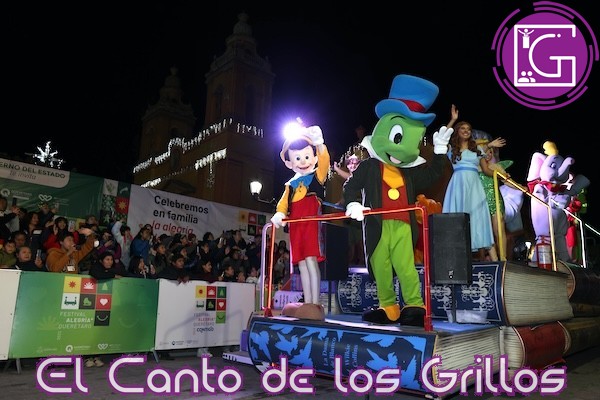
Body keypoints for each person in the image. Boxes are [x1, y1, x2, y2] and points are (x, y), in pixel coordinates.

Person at [270, 124, 330, 321]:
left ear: (313, 157)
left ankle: (315, 302)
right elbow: (283, 203)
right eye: (297, 158)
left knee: (312, 262)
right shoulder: (290, 185)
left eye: (306, 156)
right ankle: (307, 301)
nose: (303, 161)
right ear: (289, 163)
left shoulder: (317, 176)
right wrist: (279, 214)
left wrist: (319, 144)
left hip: (311, 225)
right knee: (302, 264)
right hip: (296, 227)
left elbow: (325, 161)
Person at [442, 106, 495, 261]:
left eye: (469, 129)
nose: (466, 131)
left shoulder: (477, 149)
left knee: (478, 216)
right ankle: (456, 259)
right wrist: (453, 119)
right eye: (463, 128)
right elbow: (442, 136)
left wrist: (501, 176)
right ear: (457, 131)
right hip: (458, 185)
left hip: (474, 185)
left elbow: (486, 170)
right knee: (458, 216)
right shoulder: (452, 148)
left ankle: (496, 261)